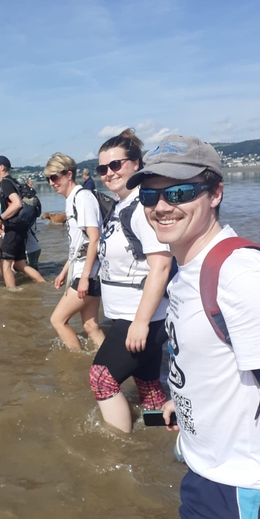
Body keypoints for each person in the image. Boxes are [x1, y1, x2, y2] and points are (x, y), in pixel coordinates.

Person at [129, 134, 260, 519]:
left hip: (237, 487)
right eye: (151, 194)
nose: (161, 206)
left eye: (180, 192)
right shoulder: (189, 270)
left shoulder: (239, 275)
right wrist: (181, 406)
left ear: (216, 193)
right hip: (206, 472)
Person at [89, 129, 172, 431]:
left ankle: (118, 451)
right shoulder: (121, 206)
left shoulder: (141, 207)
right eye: (102, 168)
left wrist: (140, 322)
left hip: (140, 317)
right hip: (134, 315)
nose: (109, 173)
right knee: (148, 385)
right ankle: (160, 437)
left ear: (136, 163)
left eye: (116, 165)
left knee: (101, 379)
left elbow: (161, 265)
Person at [44, 152, 104, 350]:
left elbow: (94, 238)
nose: (51, 183)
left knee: (58, 320)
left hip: (88, 273)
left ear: (68, 175)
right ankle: (105, 367)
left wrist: (85, 277)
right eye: (48, 178)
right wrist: (64, 271)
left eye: (54, 177)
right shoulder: (71, 200)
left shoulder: (82, 197)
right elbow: (78, 245)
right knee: (91, 325)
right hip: (83, 270)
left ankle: (77, 363)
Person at [0, 155, 45, 287]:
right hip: (20, 229)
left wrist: (0, 218)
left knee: (5, 265)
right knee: (20, 264)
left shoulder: (6, 183)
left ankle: (11, 295)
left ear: (1, 167)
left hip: (13, 229)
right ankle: (43, 283)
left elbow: (17, 204)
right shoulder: (12, 181)